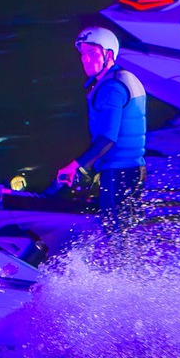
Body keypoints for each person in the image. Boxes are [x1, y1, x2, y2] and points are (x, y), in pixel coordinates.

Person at [53, 26, 147, 237]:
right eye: (83, 54)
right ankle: (133, 266)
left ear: (109, 54)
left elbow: (107, 139)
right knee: (126, 230)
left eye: (92, 53)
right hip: (133, 169)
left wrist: (75, 166)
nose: (85, 59)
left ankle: (123, 270)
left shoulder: (111, 88)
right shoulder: (123, 78)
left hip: (119, 172)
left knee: (116, 232)